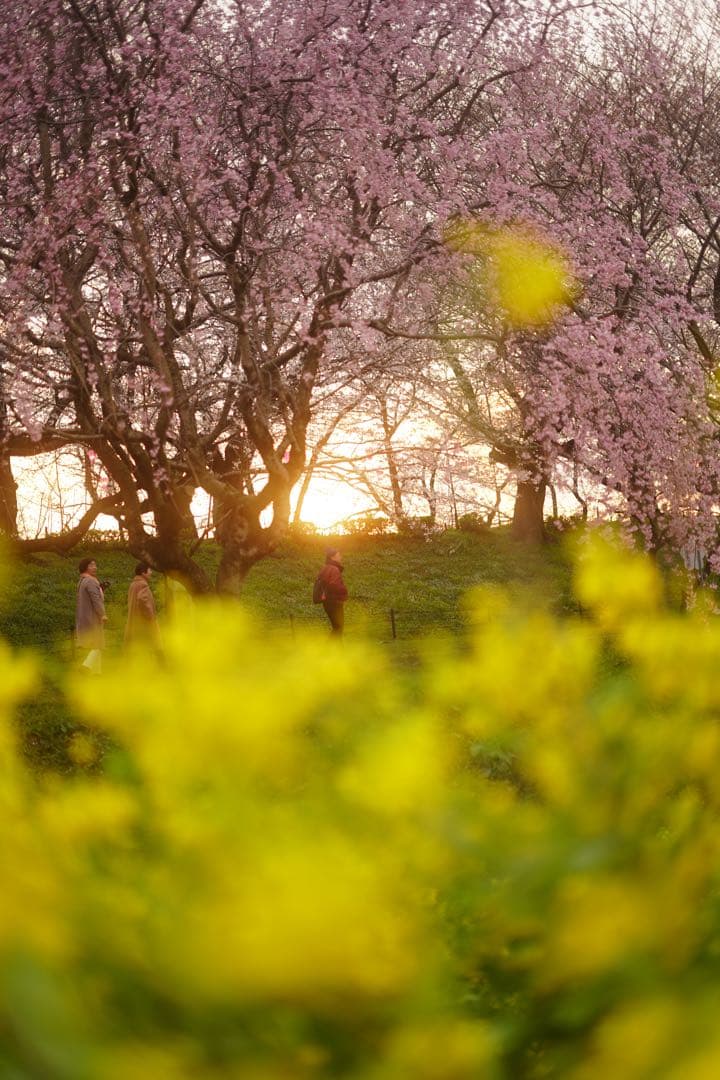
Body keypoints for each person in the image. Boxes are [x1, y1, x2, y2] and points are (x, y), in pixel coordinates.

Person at [75, 557, 107, 674]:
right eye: (92, 565)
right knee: (98, 645)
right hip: (93, 617)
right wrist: (102, 614)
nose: (95, 567)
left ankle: (97, 673)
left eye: (95, 565)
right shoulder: (91, 581)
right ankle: (86, 666)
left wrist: (101, 589)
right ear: (85, 567)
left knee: (97, 644)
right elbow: (96, 600)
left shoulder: (82, 581)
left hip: (84, 617)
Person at [125, 562, 160, 651]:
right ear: (143, 573)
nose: (151, 572)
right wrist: (151, 617)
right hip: (143, 622)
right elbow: (142, 600)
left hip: (134, 620)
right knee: (149, 645)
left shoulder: (133, 584)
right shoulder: (143, 585)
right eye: (150, 570)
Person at [316, 547, 348, 637]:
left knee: (337, 627)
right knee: (338, 627)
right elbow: (334, 585)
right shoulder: (334, 569)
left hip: (327, 601)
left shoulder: (325, 568)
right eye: (339, 555)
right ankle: (328, 649)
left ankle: (338, 650)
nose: (341, 557)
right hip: (334, 602)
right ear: (332, 557)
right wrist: (344, 591)